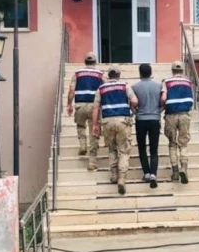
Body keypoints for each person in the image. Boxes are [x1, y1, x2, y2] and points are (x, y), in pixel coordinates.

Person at [92, 66, 138, 195]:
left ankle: (113, 175)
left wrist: (95, 125)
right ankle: (122, 178)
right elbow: (135, 101)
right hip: (122, 121)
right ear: (118, 75)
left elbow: (95, 107)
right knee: (123, 150)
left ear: (108, 75)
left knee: (111, 148)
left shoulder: (101, 88)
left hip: (107, 121)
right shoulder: (125, 85)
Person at [66, 52, 104, 171]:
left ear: (85, 62)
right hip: (94, 107)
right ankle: (92, 161)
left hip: (80, 105)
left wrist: (69, 104)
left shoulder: (77, 74)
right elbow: (106, 89)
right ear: (95, 62)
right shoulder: (100, 75)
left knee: (81, 126)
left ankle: (82, 144)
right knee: (94, 132)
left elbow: (72, 89)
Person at [160, 61, 194, 184]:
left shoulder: (167, 82)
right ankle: (184, 167)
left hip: (171, 115)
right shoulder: (188, 82)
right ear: (182, 71)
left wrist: (160, 106)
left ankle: (175, 172)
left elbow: (163, 98)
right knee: (183, 143)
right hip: (184, 115)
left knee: (172, 144)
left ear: (172, 70)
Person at [132, 63, 162, 189]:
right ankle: (154, 174)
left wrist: (136, 113)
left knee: (142, 147)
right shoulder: (159, 86)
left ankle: (147, 173)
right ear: (151, 72)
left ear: (140, 73)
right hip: (154, 119)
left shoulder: (135, 87)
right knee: (154, 149)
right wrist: (159, 112)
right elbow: (163, 101)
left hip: (141, 120)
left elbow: (132, 103)